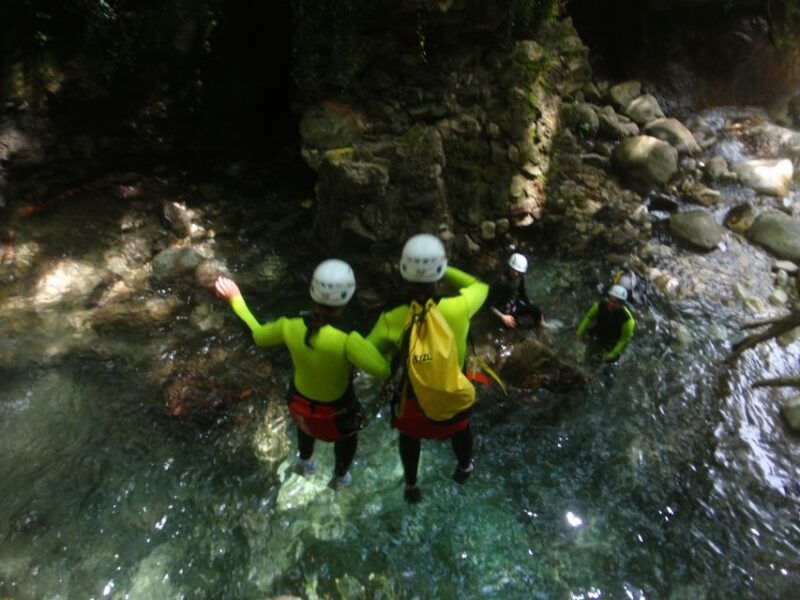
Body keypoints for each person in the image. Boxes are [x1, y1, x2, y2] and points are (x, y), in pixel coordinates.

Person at [214, 259, 390, 489]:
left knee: (305, 428)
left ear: (312, 291)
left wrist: (235, 298)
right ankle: (340, 478)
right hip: (337, 413)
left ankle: (305, 462)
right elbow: (383, 369)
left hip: (299, 404)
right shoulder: (350, 342)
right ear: (348, 298)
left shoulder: (289, 327)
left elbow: (256, 334)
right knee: (346, 440)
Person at [367, 233, 488, 503]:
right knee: (461, 429)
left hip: (414, 405)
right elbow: (480, 285)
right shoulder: (461, 306)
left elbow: (368, 359)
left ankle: (411, 485)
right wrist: (445, 268)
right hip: (452, 400)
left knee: (409, 437)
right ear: (439, 273)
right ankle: (465, 466)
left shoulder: (390, 319)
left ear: (403, 274)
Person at [574, 284, 635, 362]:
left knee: (604, 365)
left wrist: (612, 354)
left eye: (615, 302)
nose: (611, 304)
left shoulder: (627, 320)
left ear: (621, 303)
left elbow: (624, 340)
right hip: (598, 334)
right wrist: (579, 333)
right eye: (610, 300)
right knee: (587, 356)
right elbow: (588, 318)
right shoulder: (600, 305)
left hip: (612, 344)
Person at [489, 252, 543, 330]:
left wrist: (534, 309)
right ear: (509, 267)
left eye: (519, 272)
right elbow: (489, 305)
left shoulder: (520, 278)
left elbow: (522, 294)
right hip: (502, 311)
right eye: (514, 270)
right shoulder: (500, 282)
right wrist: (502, 317)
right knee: (510, 327)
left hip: (512, 304)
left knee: (536, 310)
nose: (516, 274)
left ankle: (539, 327)